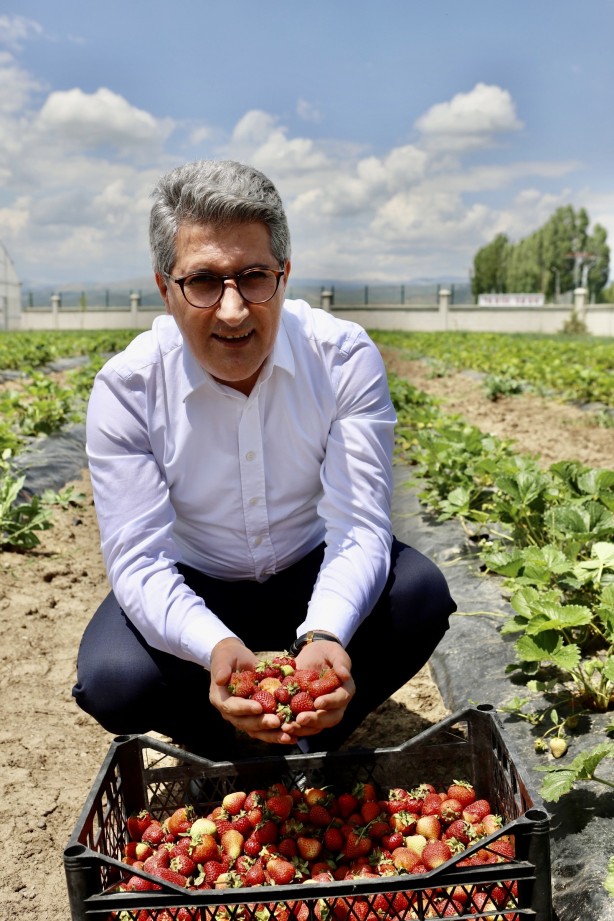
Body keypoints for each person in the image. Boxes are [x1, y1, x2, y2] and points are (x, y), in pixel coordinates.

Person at [72, 159, 456, 759]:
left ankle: (316, 736)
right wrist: (216, 648)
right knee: (114, 678)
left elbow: (358, 525)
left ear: (285, 274)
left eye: (253, 277)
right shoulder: (128, 388)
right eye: (203, 281)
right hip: (197, 575)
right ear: (165, 288)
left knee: (420, 594)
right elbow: (139, 561)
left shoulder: (341, 357)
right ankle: (231, 753)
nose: (232, 309)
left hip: (311, 565)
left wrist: (327, 631)